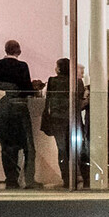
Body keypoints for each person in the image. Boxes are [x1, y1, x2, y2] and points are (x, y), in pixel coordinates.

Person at [0, 40, 37, 189]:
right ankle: (28, 179)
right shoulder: (22, 66)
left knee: (7, 145)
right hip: (18, 108)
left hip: (0, 109)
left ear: (5, 50)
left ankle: (11, 178)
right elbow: (27, 89)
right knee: (27, 145)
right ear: (19, 51)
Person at [41, 58, 77, 187]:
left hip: (57, 117)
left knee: (61, 148)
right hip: (72, 118)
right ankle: (74, 176)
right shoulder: (76, 81)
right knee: (73, 148)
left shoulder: (53, 81)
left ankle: (66, 178)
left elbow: (48, 99)